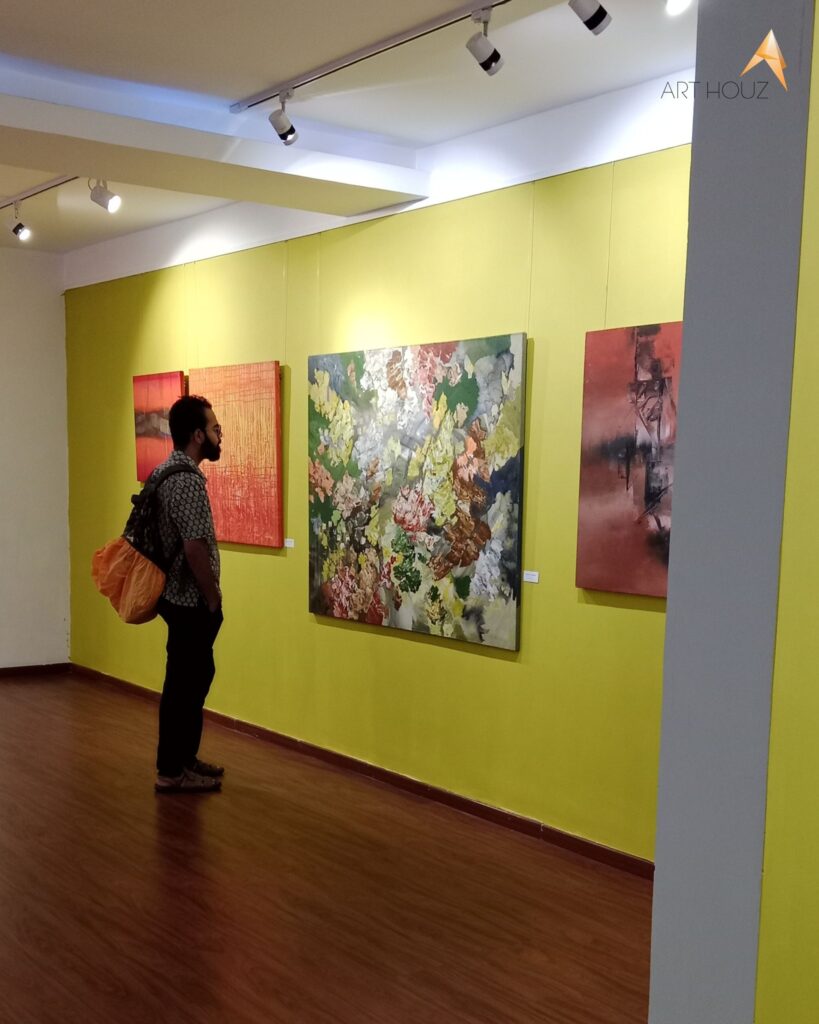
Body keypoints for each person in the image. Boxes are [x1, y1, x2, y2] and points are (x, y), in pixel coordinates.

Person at [152, 395, 225, 793]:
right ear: (198, 435)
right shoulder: (185, 481)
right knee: (184, 685)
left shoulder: (167, 472)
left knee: (192, 679)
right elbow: (194, 548)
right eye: (214, 428)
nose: (219, 435)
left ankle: (184, 759)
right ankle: (172, 770)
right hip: (188, 601)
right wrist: (212, 598)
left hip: (177, 599)